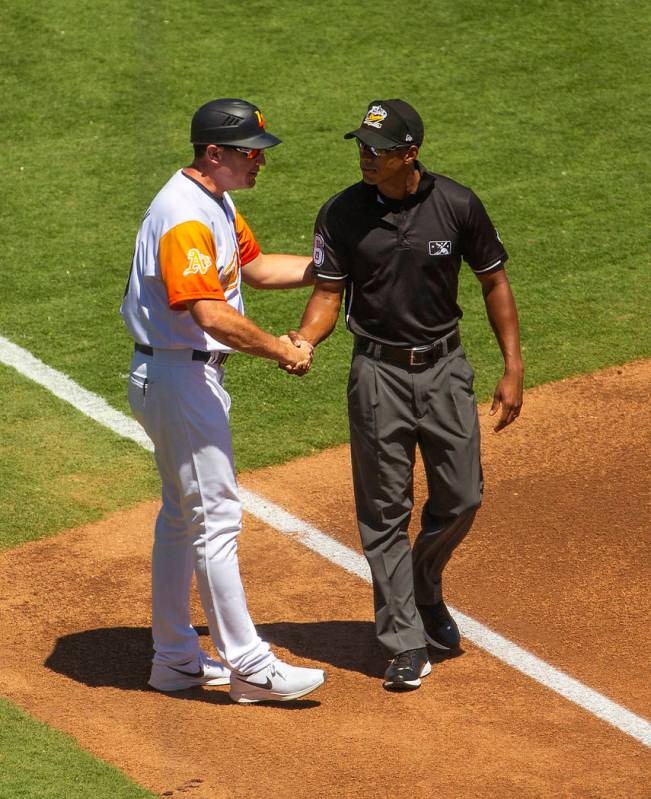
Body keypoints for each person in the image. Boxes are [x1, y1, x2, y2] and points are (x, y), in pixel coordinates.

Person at [292, 99, 523, 691]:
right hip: (376, 375)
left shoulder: (457, 204)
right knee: (384, 512)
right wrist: (307, 340)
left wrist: (512, 366)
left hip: (445, 370)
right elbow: (326, 294)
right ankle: (403, 640)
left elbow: (493, 281)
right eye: (362, 147)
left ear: (410, 153)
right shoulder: (341, 214)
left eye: (379, 149)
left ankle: (424, 584)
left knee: (463, 496)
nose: (366, 158)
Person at [120, 98, 325, 704]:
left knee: (183, 521)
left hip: (177, 375)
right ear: (215, 154)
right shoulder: (183, 215)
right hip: (180, 380)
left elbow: (256, 270)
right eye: (249, 152)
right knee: (216, 522)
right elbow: (208, 311)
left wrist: (337, 268)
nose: (260, 162)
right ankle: (249, 665)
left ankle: (176, 660)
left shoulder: (215, 200)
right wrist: (281, 349)